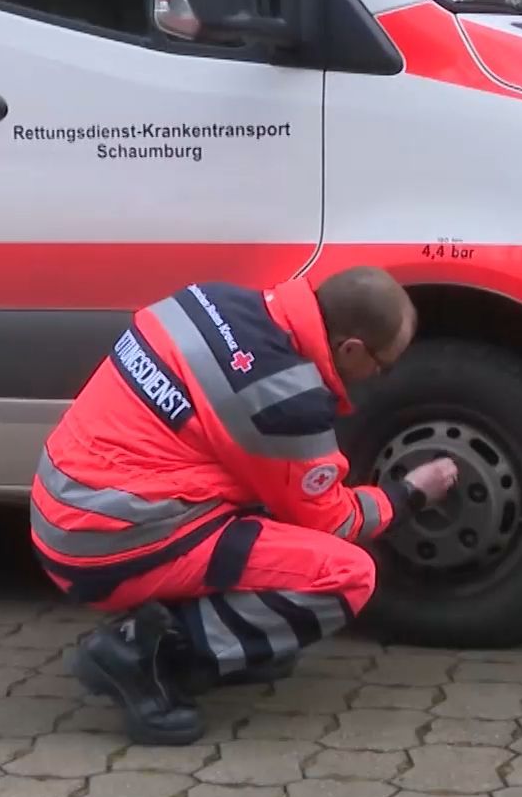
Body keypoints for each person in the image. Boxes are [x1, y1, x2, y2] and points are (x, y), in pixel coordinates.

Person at [29, 267, 460, 744]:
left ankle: (226, 640)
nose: (383, 376)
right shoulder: (284, 398)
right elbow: (334, 521)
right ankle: (139, 656)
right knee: (346, 574)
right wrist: (410, 492)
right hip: (109, 539)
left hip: (64, 504)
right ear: (351, 349)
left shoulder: (213, 299)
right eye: (385, 364)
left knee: (271, 503)